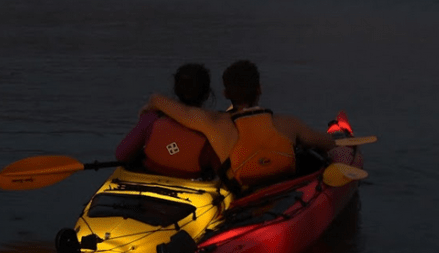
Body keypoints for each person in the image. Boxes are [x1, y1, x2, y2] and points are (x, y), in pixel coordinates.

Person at [144, 59, 338, 192]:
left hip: (244, 195)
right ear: (259, 89)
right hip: (284, 190)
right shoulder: (288, 123)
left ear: (226, 94)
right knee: (311, 157)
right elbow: (330, 143)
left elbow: (163, 102)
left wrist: (150, 106)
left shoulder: (213, 124)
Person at [115, 63, 220, 179]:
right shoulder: (214, 128)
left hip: (148, 177)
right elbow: (220, 167)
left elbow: (122, 155)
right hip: (192, 184)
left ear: (175, 90)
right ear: (207, 95)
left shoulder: (152, 118)